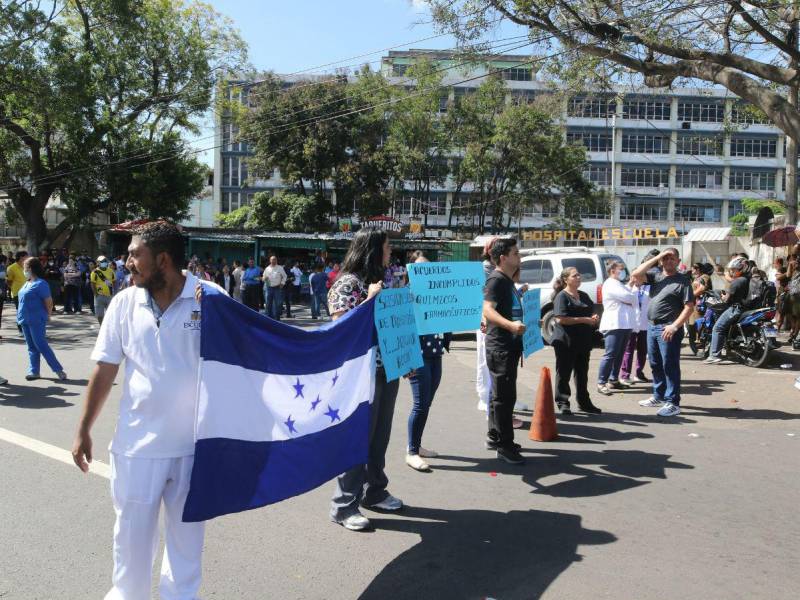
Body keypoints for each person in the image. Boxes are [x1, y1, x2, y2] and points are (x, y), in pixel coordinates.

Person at [71, 221, 223, 599]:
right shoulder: (124, 303)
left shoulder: (212, 298)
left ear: (163, 259)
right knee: (131, 542)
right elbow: (105, 368)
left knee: (186, 546)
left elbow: (246, 360)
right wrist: (84, 428)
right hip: (137, 447)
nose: (127, 262)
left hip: (194, 449)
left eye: (135, 254)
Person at [328, 227, 403, 532]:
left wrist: (405, 356)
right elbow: (340, 328)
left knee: (379, 438)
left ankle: (375, 491)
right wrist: (369, 300)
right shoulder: (348, 284)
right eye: (386, 248)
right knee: (359, 439)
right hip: (361, 376)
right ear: (372, 251)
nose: (390, 254)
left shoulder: (384, 281)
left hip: (388, 369)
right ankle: (344, 505)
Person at [631, 248, 695, 418]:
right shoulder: (656, 276)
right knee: (655, 363)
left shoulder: (683, 281)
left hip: (668, 328)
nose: (668, 261)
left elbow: (689, 306)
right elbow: (637, 274)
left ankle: (673, 402)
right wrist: (658, 256)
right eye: (665, 259)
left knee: (670, 365)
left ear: (678, 261)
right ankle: (658, 396)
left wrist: (675, 326)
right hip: (652, 326)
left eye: (672, 258)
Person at [482, 238, 526, 464]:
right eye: (515, 253)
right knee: (504, 398)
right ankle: (505, 446)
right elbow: (488, 310)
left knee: (500, 396)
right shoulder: (497, 279)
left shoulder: (506, 280)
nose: (520, 256)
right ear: (503, 258)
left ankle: (495, 436)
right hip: (501, 346)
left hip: (508, 345)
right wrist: (510, 325)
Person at [405, 252, 449, 472]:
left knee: (426, 403)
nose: (426, 272)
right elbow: (400, 328)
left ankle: (417, 445)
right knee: (420, 404)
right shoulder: (407, 295)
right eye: (421, 268)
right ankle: (411, 452)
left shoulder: (436, 294)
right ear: (412, 271)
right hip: (417, 356)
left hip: (435, 353)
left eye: (429, 268)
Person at [550, 267, 601, 415]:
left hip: (583, 340)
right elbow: (561, 319)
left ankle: (584, 402)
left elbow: (590, 311)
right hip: (566, 341)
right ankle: (562, 402)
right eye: (575, 275)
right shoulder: (562, 296)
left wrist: (594, 317)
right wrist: (585, 320)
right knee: (564, 373)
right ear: (566, 279)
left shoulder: (583, 295)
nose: (579, 277)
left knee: (582, 373)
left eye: (579, 275)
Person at [17, 257, 67, 381]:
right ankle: (34, 371)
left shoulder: (41, 283)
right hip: (24, 320)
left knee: (41, 345)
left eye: (25, 267)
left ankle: (58, 370)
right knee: (31, 347)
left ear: (31, 268)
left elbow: (48, 302)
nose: (24, 269)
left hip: (36, 319)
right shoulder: (27, 282)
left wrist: (48, 315)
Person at [596, 261, 636, 396]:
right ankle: (601, 382)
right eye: (621, 269)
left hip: (624, 324)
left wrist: (630, 298)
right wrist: (630, 298)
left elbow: (631, 297)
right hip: (614, 324)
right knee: (610, 354)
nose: (624, 271)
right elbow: (629, 296)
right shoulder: (610, 283)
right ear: (613, 269)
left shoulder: (619, 283)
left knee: (619, 353)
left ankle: (613, 379)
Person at [705, 257, 750, 364]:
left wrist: (723, 296)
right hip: (746, 308)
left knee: (717, 328)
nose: (732, 272)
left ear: (740, 269)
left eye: (733, 270)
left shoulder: (738, 281)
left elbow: (727, 299)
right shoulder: (747, 278)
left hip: (736, 309)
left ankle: (714, 355)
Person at [619, 269, 651, 385]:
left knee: (643, 350)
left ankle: (639, 373)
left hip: (644, 323)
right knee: (628, 350)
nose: (638, 278)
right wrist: (631, 284)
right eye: (635, 276)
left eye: (641, 276)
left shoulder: (649, 288)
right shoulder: (626, 288)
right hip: (631, 323)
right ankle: (625, 375)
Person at [476, 238, 496, 412]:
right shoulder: (484, 269)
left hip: (499, 319)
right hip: (485, 318)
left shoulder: (500, 269)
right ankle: (484, 396)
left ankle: (497, 395)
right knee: (484, 358)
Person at [6, 251, 29, 333]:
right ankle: (21, 329)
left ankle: (27, 328)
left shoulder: (27, 267)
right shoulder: (11, 268)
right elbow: (8, 282)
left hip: (28, 292)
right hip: (17, 293)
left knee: (28, 311)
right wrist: (14, 288)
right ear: (21, 257)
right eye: (27, 256)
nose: (28, 258)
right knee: (20, 311)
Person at [90, 255, 116, 324]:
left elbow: (114, 281)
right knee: (99, 315)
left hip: (109, 296)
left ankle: (109, 330)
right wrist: (96, 294)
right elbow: (92, 284)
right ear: (98, 262)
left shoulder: (111, 271)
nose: (104, 262)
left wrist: (113, 292)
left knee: (111, 315)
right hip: (99, 296)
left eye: (105, 261)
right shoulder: (95, 272)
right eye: (102, 261)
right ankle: (102, 328)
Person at [263, 255, 287, 320]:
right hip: (269, 288)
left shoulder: (280, 268)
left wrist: (282, 283)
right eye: (272, 259)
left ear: (276, 260)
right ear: (270, 261)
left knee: (278, 304)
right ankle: (268, 318)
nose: (273, 261)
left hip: (277, 288)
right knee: (268, 304)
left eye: (275, 259)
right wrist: (264, 278)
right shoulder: (267, 268)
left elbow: (285, 276)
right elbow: (263, 277)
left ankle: (277, 319)